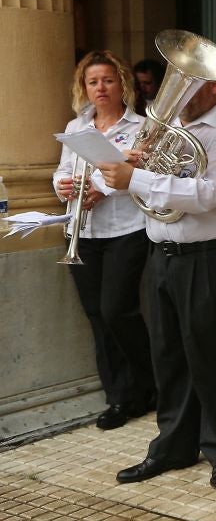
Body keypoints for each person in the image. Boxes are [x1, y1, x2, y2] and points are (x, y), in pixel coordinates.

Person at [98, 76, 216, 490]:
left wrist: (136, 177)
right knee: (168, 355)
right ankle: (173, 445)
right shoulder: (167, 132)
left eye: (191, 83)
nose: (179, 93)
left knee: (214, 356)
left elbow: (207, 194)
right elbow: (139, 186)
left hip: (210, 257)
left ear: (215, 89)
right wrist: (135, 164)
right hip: (162, 256)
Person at [53, 51, 156, 431]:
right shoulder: (76, 127)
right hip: (84, 231)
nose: (100, 87)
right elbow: (63, 170)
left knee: (117, 310)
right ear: (84, 87)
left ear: (122, 84)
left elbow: (138, 175)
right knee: (97, 316)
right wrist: (62, 185)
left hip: (125, 230)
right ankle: (120, 396)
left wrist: (98, 186)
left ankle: (148, 383)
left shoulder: (141, 127)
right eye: (93, 81)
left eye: (108, 80)